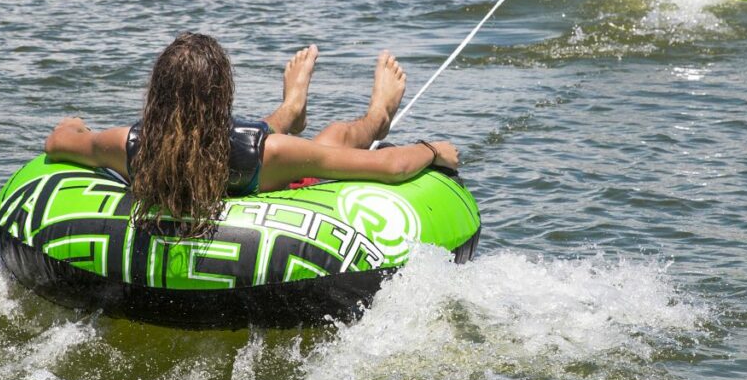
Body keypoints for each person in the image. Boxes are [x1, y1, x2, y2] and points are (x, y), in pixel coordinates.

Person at [44, 34, 459, 235]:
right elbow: (390, 166)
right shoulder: (269, 153)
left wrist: (74, 126)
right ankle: (376, 115)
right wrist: (434, 149)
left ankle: (293, 107)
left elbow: (58, 143)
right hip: (258, 171)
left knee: (279, 136)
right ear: (223, 95)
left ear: (157, 94)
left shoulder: (128, 145)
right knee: (333, 135)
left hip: (237, 154)